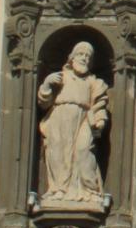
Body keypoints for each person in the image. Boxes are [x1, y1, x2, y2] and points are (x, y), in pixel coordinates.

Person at [37, 40, 110, 206]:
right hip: (58, 117)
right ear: (72, 57)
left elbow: (99, 103)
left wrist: (99, 120)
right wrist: (47, 84)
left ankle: (89, 190)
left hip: (83, 118)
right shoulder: (61, 77)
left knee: (83, 150)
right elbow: (44, 102)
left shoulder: (93, 82)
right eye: (81, 54)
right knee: (57, 152)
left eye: (88, 56)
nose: (84, 59)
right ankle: (58, 189)